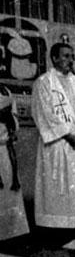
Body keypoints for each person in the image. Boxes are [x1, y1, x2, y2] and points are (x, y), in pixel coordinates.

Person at [31, 42, 75, 239]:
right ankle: (56, 231)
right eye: (66, 56)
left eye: (72, 56)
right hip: (58, 144)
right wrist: (68, 135)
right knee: (58, 189)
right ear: (54, 58)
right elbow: (43, 114)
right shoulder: (44, 82)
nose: (71, 60)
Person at [0, 84, 29, 242]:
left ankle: (12, 235)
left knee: (10, 192)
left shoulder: (5, 91)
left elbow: (14, 117)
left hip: (6, 149)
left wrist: (11, 122)